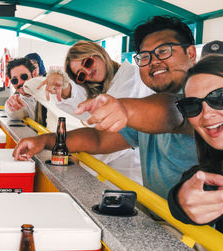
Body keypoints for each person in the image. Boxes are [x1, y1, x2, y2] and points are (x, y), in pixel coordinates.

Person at [13, 15, 199, 199]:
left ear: (191, 54)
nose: (154, 61)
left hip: (203, 227)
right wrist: (45, 141)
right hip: (164, 213)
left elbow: (174, 111)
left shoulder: (207, 99)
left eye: (164, 51)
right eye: (145, 56)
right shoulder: (147, 103)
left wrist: (125, 109)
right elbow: (99, 139)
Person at [168, 55, 223, 245]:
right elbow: (202, 177)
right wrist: (181, 200)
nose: (206, 114)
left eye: (221, 97)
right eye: (192, 105)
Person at [4, 58, 47, 126]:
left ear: (34, 74)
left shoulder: (48, 91)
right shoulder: (18, 101)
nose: (20, 82)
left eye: (24, 76)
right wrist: (13, 108)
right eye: (14, 80)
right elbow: (15, 114)